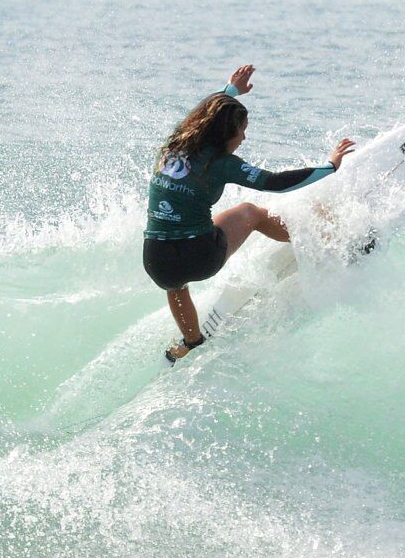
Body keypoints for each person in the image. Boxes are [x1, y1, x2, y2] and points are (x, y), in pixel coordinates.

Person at [143, 64, 356, 363]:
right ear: (223, 136)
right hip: (200, 256)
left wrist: (230, 90)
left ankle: (191, 342)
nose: (242, 138)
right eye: (241, 132)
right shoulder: (221, 163)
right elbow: (276, 183)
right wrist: (330, 167)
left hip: (156, 262)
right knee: (249, 212)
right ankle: (324, 238)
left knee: (175, 285)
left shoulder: (173, 143)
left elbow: (200, 111)